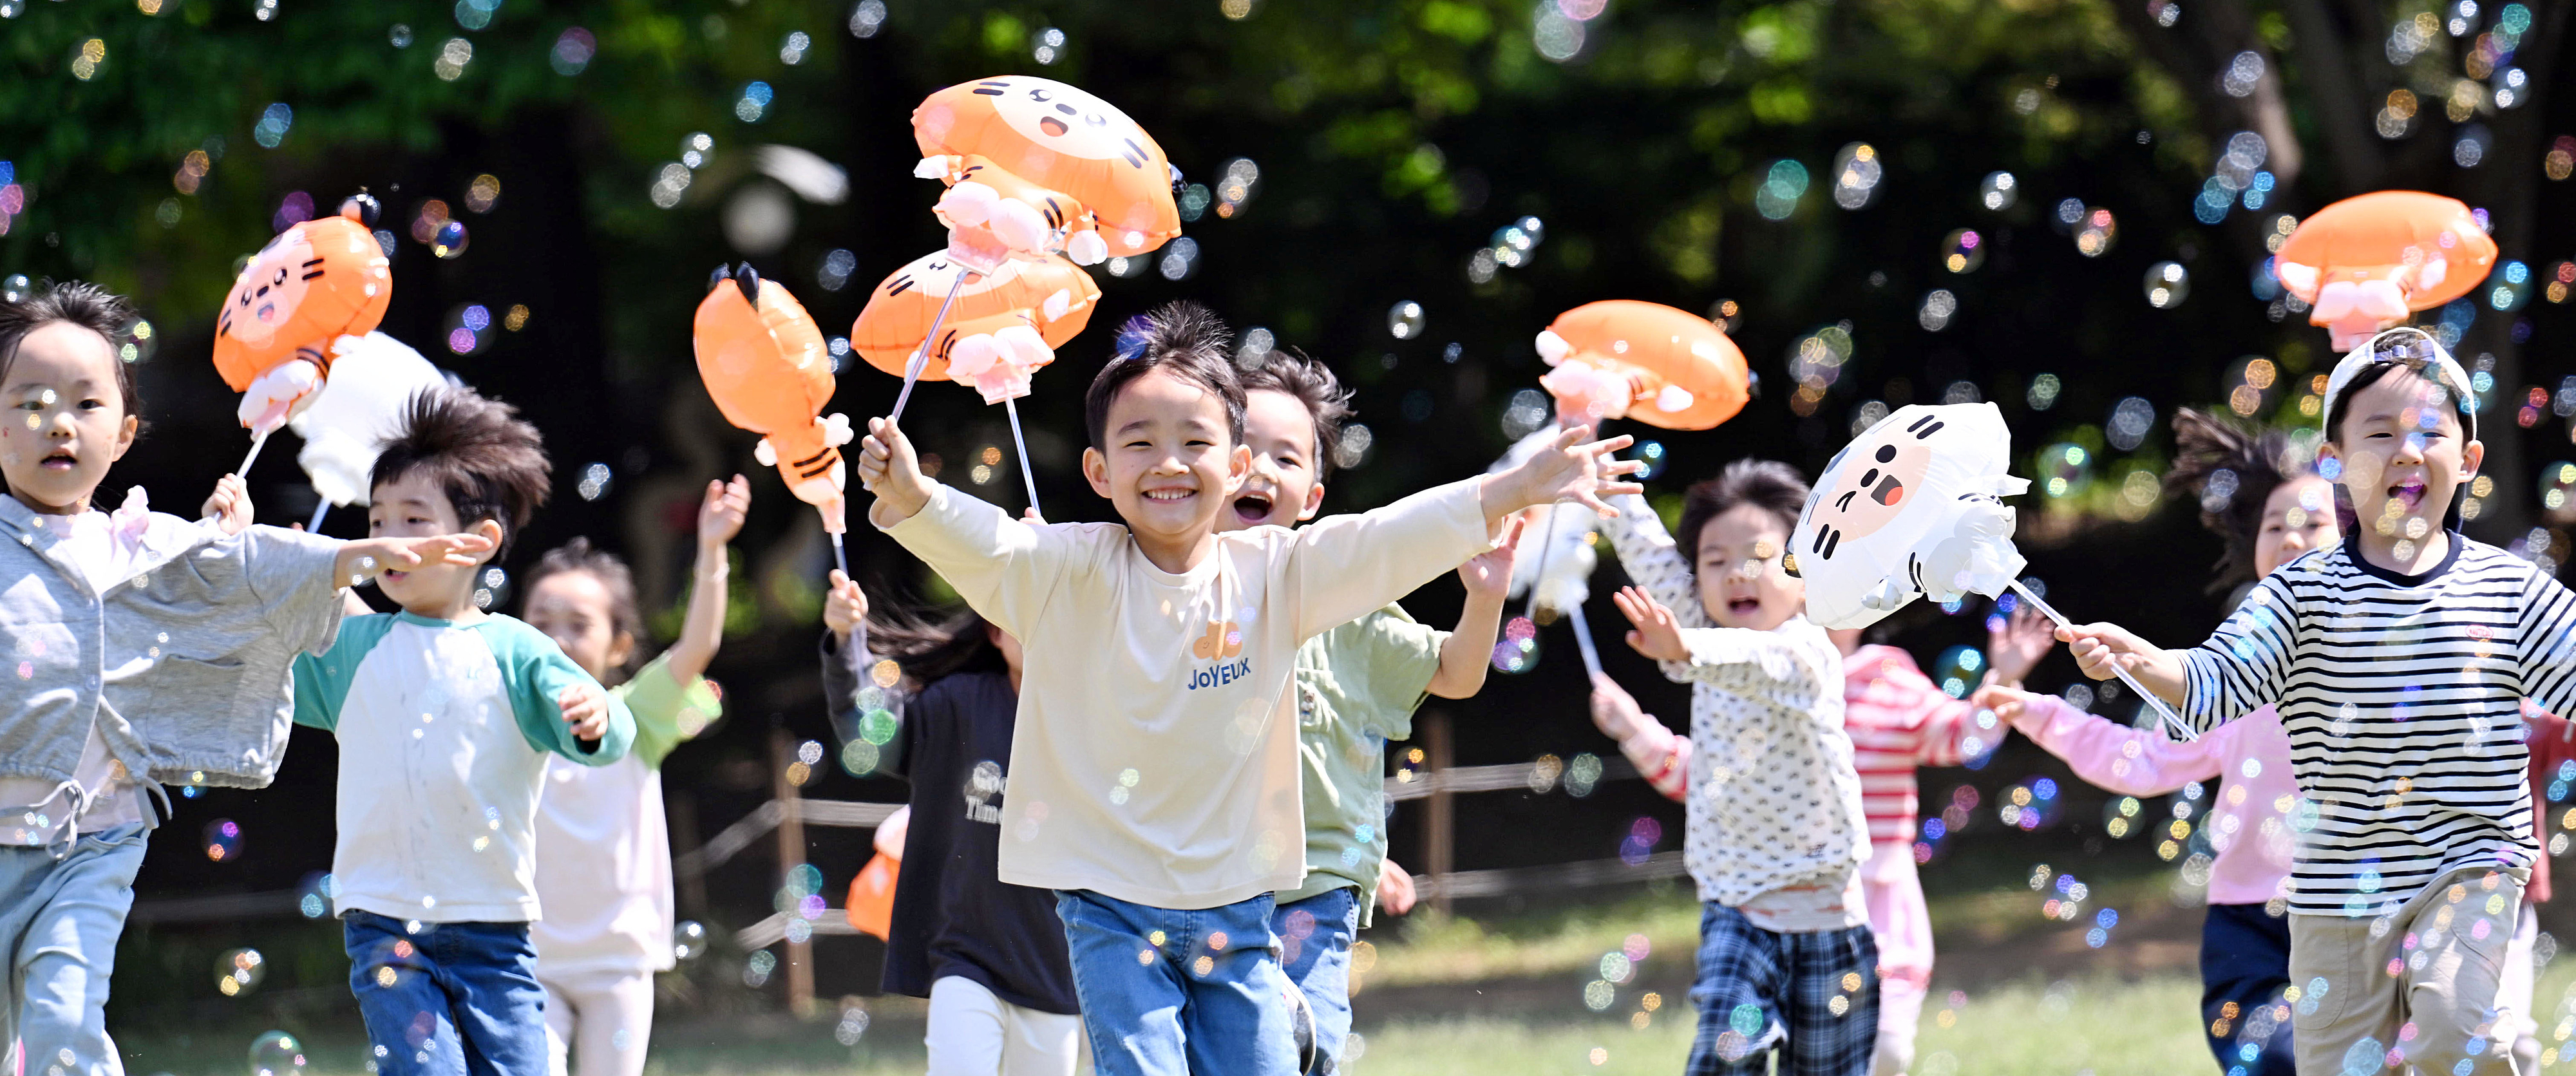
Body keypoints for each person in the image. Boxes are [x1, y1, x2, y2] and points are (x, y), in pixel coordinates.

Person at [854, 301, 1640, 1075]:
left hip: (1239, 904)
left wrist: (1513, 489)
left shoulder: (1278, 576)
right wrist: (915, 499)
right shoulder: (1070, 570)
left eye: (1194, 441)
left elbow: (1385, 540)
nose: (1168, 462)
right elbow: (989, 545)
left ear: (1233, 466)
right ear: (1098, 471)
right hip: (1108, 909)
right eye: (1139, 442)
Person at [2058, 328, 2576, 1076]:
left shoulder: (2510, 591)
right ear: (2334, 463)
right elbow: (2213, 686)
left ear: (2466, 463)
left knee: (2460, 1032)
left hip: (2471, 865)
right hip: (2337, 882)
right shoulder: (2299, 594)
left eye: (2430, 432)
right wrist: (2147, 664)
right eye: (2379, 433)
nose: (2405, 449)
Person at [0, 283, 484, 1076]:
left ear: (122, 436)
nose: (59, 421)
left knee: (62, 1019)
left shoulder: (143, 542)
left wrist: (352, 558)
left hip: (92, 843)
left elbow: (244, 566)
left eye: (85, 404)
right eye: (31, 402)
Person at [1974, 408, 2336, 1076]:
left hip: (2356, 909)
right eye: (2273, 526)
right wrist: (2043, 713)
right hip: (2248, 918)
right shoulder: (2228, 678)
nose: (2289, 537)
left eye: (2313, 524)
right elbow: (2142, 759)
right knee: (2270, 1061)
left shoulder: (2392, 663)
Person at [291, 388, 638, 1076]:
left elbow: (607, 732)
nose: (388, 538)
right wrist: (262, 564)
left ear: (478, 541)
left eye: (413, 520)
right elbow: (264, 672)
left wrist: (598, 717)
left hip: (495, 928)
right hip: (384, 923)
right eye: (378, 519)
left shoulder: (515, 650)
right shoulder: (353, 646)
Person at [1220, 349, 1519, 1069]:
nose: (1260, 469)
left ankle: (1300, 1034)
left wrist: (1484, 600)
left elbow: (1454, 673)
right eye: (1239, 450)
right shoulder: (1165, 597)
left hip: (1318, 881)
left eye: (1285, 459)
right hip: (1211, 880)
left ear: (1313, 500)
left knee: (1311, 1044)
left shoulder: (1349, 604)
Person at [1582, 460, 1877, 1076]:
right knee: (1722, 1059)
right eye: (1714, 561)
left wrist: (1685, 648)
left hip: (1828, 918)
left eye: (1760, 555)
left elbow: (1754, 659)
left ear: (1806, 573)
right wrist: (1594, 455)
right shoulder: (1703, 629)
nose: (1737, 572)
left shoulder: (1807, 651)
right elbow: (1652, 554)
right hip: (1736, 910)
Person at [523, 475, 748, 1076]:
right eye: (540, 621)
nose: (556, 638)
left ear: (620, 644)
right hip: (527, 960)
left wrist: (712, 550)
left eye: (578, 624)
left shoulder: (634, 714)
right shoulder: (506, 717)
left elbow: (697, 647)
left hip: (619, 964)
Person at [820, 569, 1082, 1076]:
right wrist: (849, 643)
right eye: (1016, 616)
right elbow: (873, 736)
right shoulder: (958, 704)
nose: (1033, 630)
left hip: (1056, 967)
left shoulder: (1096, 718)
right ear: (993, 632)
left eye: (1048, 615)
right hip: (966, 958)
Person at [1823, 603, 2051, 1076]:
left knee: (1887, 1050)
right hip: (1796, 893)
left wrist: (2003, 679)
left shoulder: (1889, 675)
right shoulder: (1761, 678)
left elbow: (1961, 735)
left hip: (1880, 896)